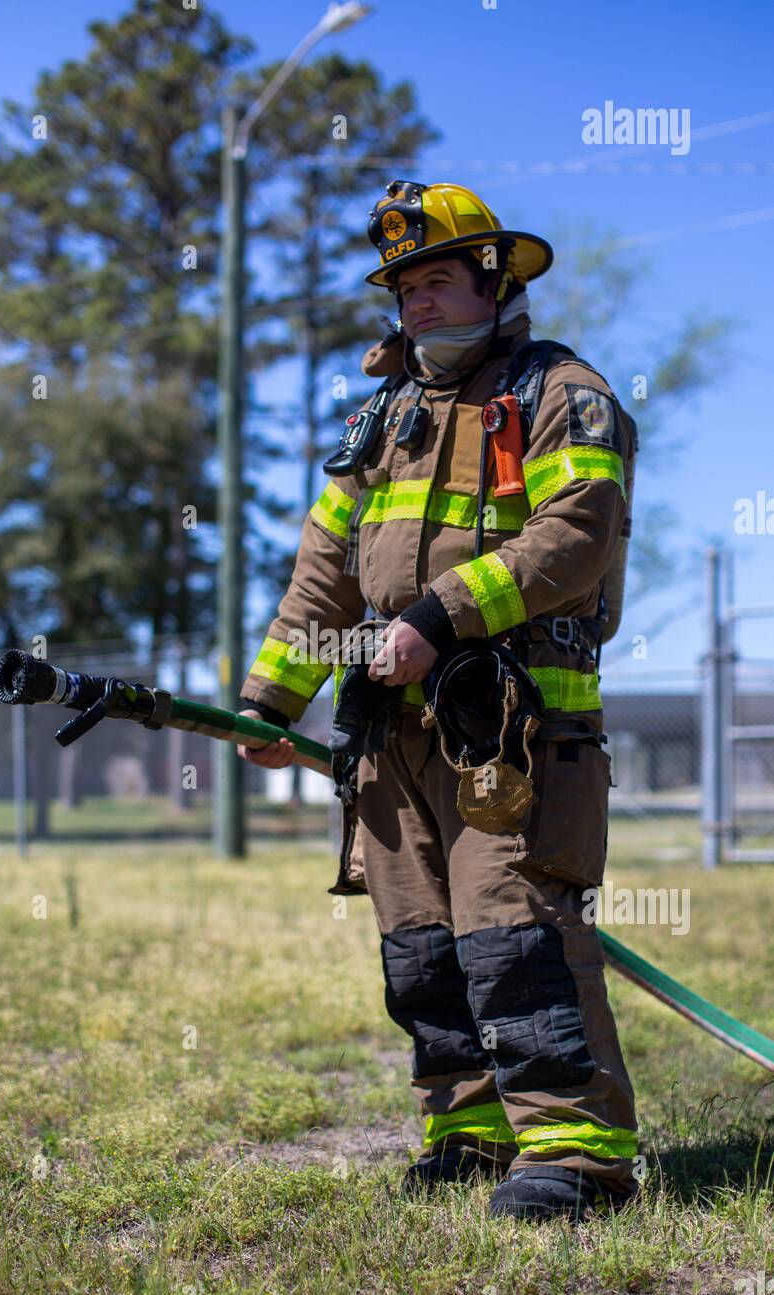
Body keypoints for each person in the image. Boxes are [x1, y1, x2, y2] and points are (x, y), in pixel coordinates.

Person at [237, 181, 640, 1223]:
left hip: (511, 730)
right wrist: (270, 702)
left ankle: (572, 1151)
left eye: (437, 278)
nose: (416, 302)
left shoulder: (562, 392)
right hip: (391, 741)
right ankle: (465, 1129)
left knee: (515, 935)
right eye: (404, 286)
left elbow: (577, 532)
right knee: (419, 946)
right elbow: (322, 570)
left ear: (492, 280)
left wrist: (439, 615)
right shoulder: (379, 420)